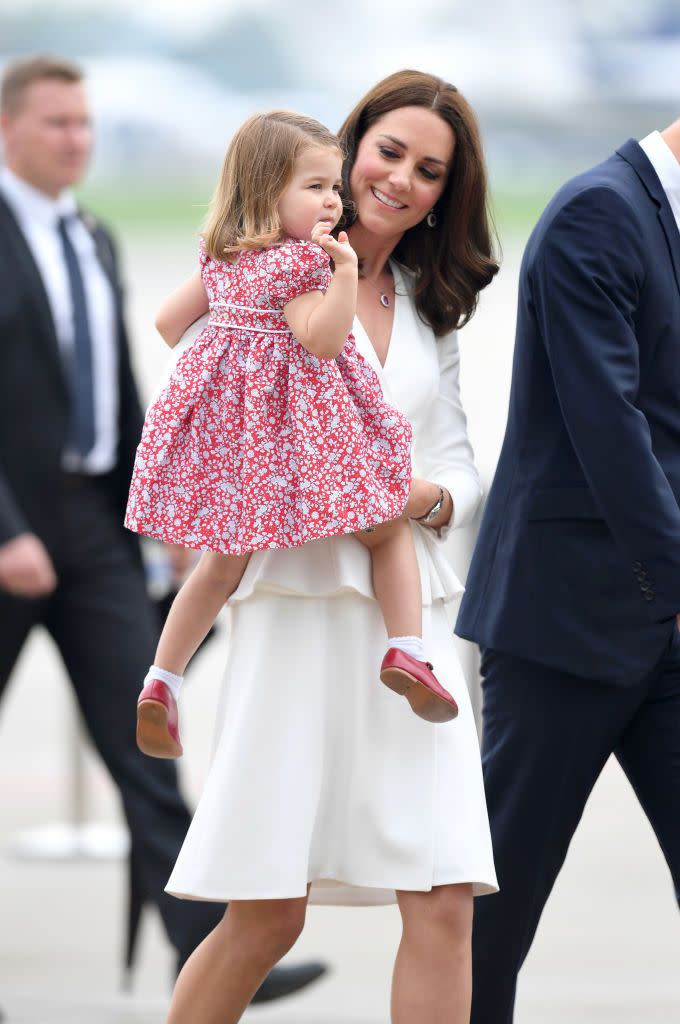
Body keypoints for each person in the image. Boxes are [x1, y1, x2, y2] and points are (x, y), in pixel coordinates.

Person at [162, 69, 499, 1024]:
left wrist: (418, 498)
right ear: (347, 153)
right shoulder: (267, 264)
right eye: (388, 152)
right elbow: (197, 386)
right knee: (266, 912)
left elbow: (463, 471)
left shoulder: (430, 307)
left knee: (442, 899)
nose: (402, 179)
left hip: (412, 628)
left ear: (445, 193)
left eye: (430, 169)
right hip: (297, 604)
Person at [0, 54, 325, 1003]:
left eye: (85, 122)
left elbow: (126, 389)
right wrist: (6, 529)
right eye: (58, 123)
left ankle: (206, 953)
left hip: (95, 526)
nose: (78, 139)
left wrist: (174, 512)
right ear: (9, 129)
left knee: (144, 731)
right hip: (12, 528)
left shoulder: (93, 237)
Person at [127, 109, 458, 761]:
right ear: (265, 190)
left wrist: (224, 348)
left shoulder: (220, 255)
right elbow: (323, 337)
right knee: (386, 527)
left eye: (335, 186)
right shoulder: (303, 265)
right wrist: (340, 275)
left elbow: (168, 324)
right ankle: (408, 649)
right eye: (316, 187)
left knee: (221, 560)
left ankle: (162, 679)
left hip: (236, 444)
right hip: (306, 440)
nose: (334, 201)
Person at [456, 121, 680, 1022]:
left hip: (661, 626)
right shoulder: (600, 212)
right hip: (564, 623)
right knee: (493, 915)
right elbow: (608, 425)